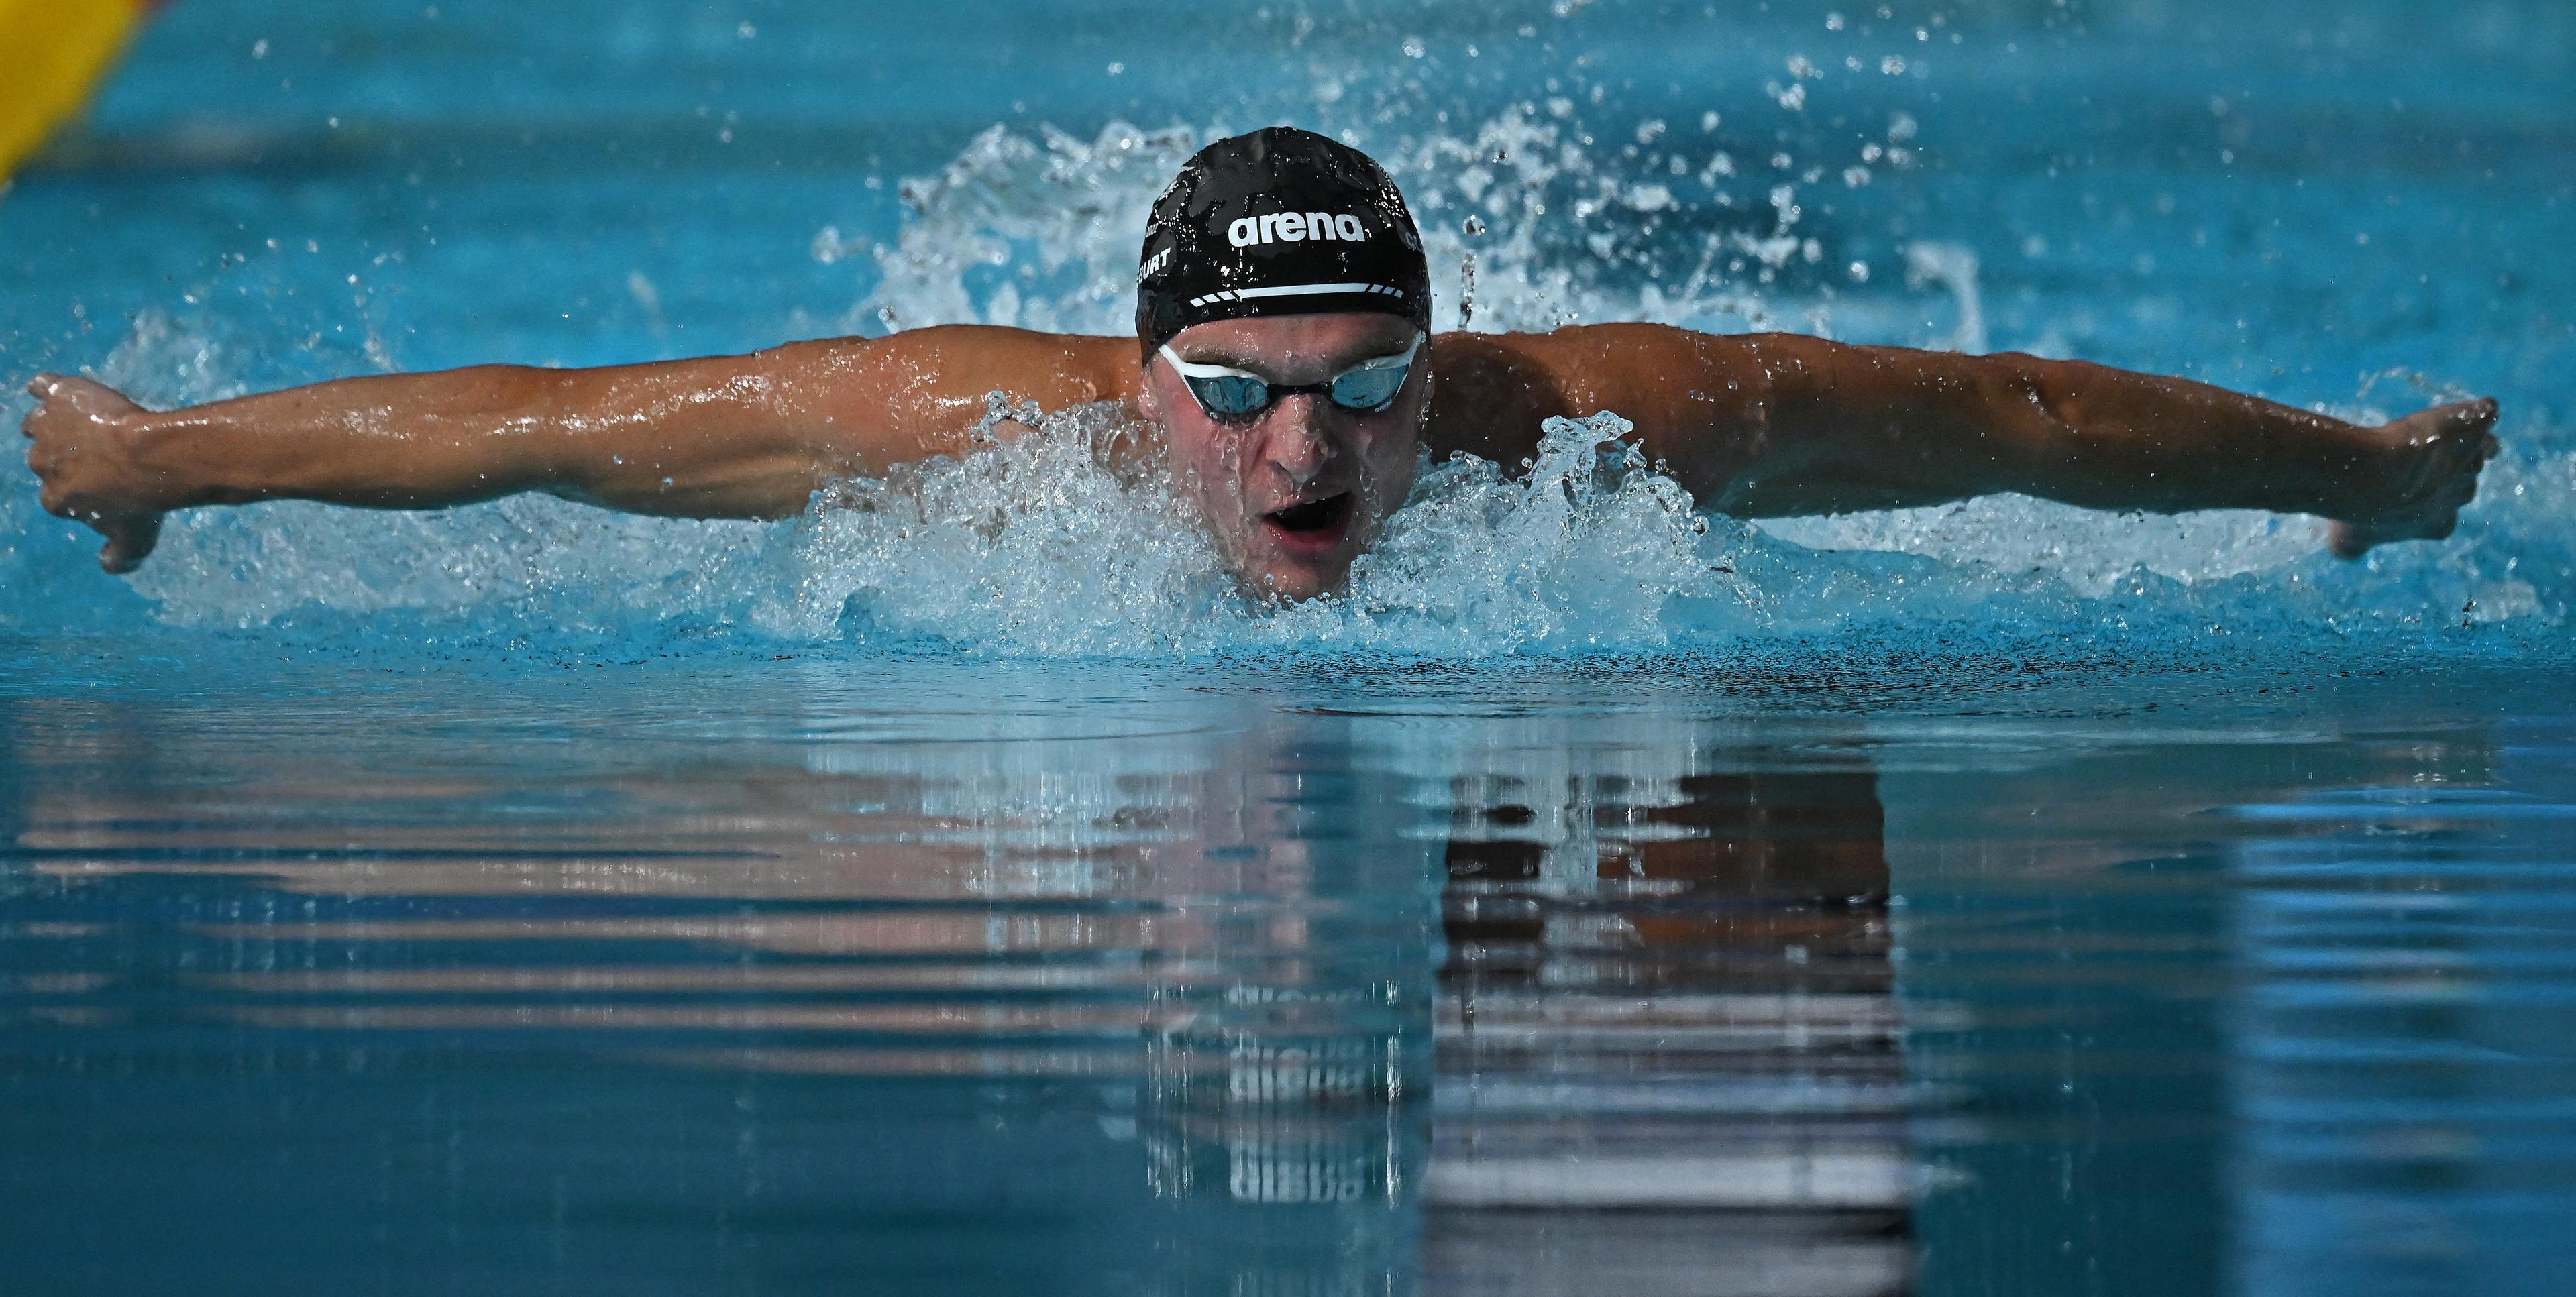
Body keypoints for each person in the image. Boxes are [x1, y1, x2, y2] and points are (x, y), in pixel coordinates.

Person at [19, 127, 2499, 604]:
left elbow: (2035, 426)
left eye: (1363, 381)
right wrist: (162, 461)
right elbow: (536, 432)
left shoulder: (1590, 426)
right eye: (1235, 390)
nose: (1306, 449)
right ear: (1139, 376)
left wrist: (2366, 480)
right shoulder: (969, 433)